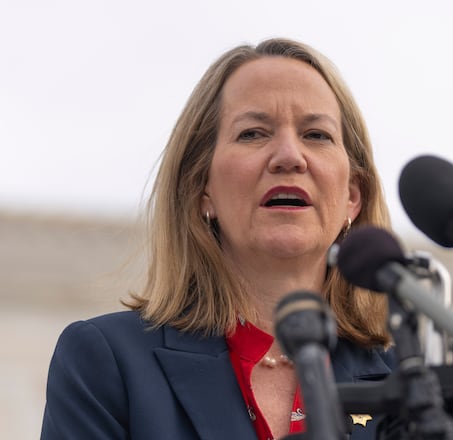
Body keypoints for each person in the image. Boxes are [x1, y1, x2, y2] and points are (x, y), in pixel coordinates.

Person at [41, 38, 396, 440]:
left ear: (352, 196)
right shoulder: (106, 362)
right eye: (253, 134)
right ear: (201, 190)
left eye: (316, 134)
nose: (289, 155)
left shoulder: (414, 382)